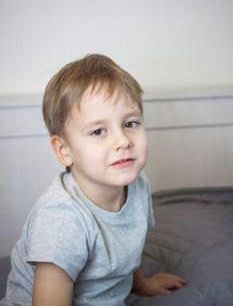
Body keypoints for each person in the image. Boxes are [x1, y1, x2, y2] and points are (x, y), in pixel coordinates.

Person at [0, 54, 186, 306]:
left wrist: (142, 285)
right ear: (64, 149)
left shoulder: (138, 184)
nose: (123, 141)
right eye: (98, 131)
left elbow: (128, 245)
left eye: (130, 123)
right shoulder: (62, 220)